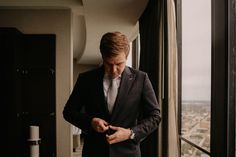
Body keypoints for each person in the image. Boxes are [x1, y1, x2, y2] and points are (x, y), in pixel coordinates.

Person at [63, 31, 161, 157]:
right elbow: (68, 112)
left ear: (126, 57)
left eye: (119, 64)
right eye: (109, 64)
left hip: (128, 153)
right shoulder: (85, 79)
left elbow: (155, 116)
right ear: (103, 57)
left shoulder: (141, 79)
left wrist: (130, 133)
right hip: (94, 152)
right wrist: (91, 122)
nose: (114, 70)